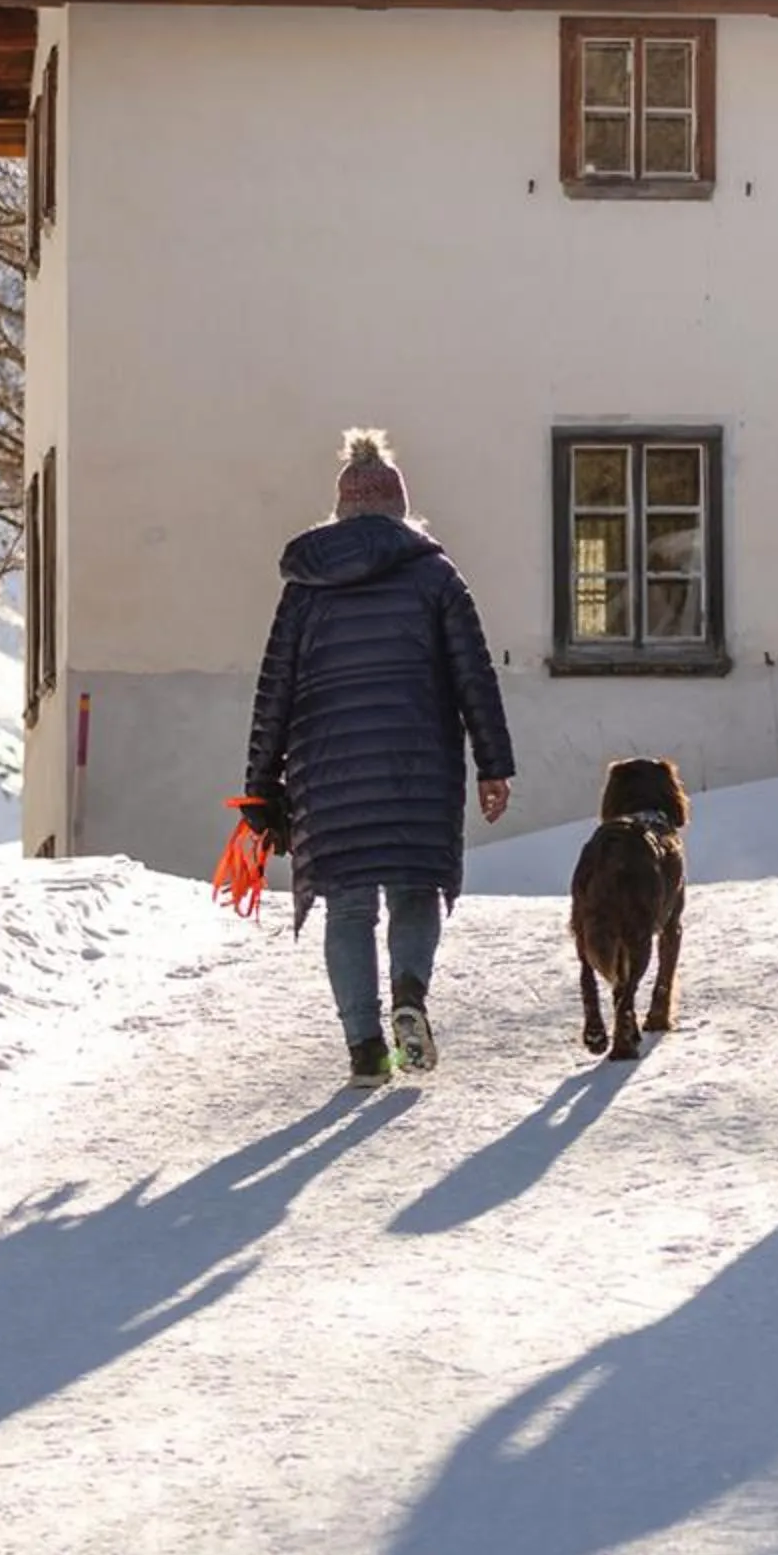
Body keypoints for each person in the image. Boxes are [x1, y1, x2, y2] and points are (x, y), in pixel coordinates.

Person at [245, 430, 516, 1086]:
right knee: (414, 887)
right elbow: (472, 674)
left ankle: (365, 1050)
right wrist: (493, 763)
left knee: (348, 906)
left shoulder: (305, 589)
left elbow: (274, 685)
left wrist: (260, 783)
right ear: (400, 507)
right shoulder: (435, 576)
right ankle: (410, 996)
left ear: (340, 511)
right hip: (418, 766)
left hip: (325, 772)